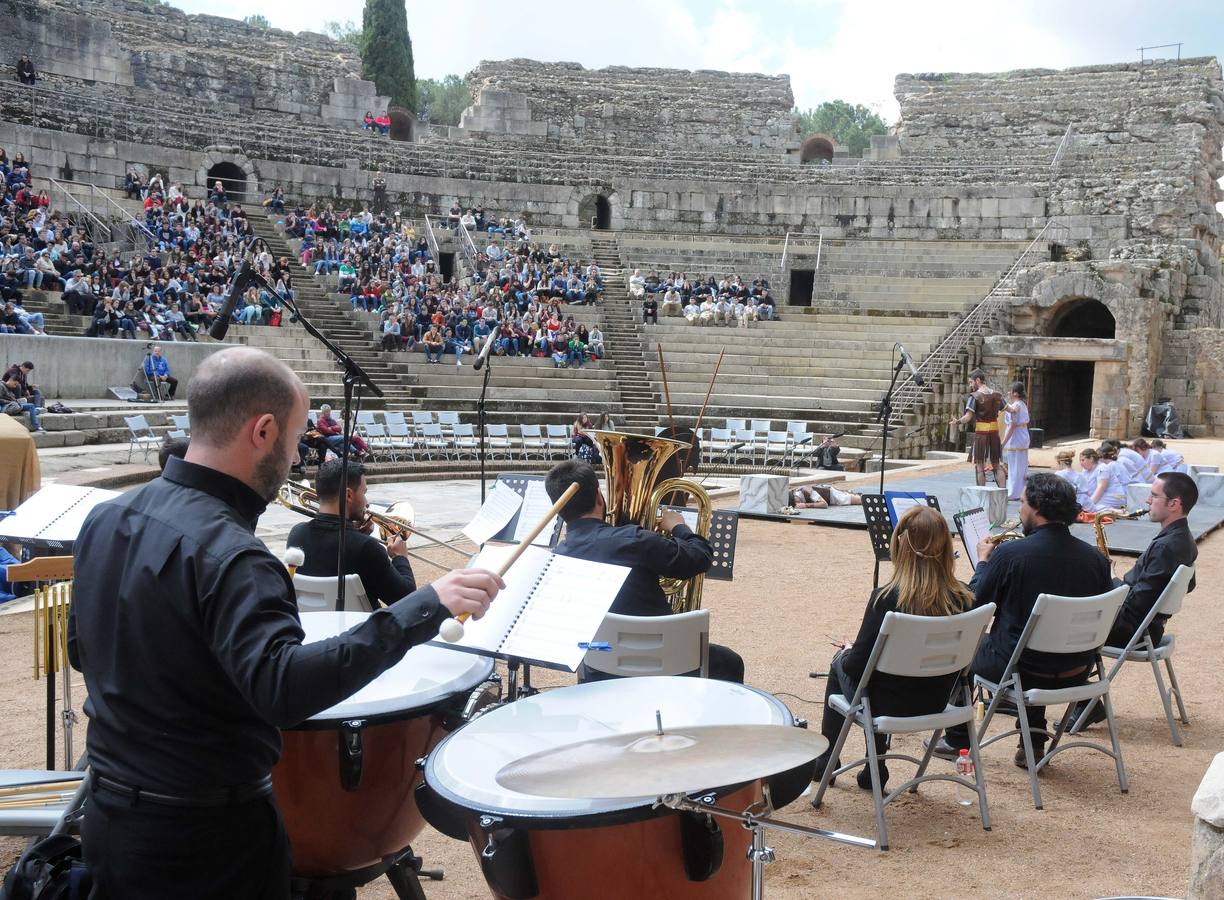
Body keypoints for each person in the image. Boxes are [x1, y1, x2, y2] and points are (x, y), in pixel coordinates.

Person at [67, 346, 502, 899]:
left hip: (110, 820)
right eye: (297, 441)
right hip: (209, 845)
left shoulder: (106, 518)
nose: (298, 459)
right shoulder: (235, 555)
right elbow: (285, 690)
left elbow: (84, 649)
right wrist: (424, 605)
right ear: (264, 431)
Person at [927, 473, 1112, 768]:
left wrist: (985, 563)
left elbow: (975, 607)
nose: (1020, 509)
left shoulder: (1010, 555)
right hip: (1078, 669)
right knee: (1032, 641)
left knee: (975, 645)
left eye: (1022, 502)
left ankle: (957, 738)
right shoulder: (1096, 560)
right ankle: (1032, 743)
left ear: (1037, 509)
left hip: (1022, 670)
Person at [814, 506, 973, 788]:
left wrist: (849, 651)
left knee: (841, 662)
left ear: (901, 546)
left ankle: (829, 760)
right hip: (936, 700)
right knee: (876, 676)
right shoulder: (964, 599)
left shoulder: (885, 599)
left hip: (886, 704)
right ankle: (873, 768)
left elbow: (856, 666)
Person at [545, 459, 745, 684]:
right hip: (666, 662)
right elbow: (701, 557)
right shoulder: (632, 539)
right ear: (599, 497)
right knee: (731, 662)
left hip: (598, 665)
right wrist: (678, 525)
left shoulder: (556, 557)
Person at [1065, 473, 1198, 731]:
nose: (1148, 500)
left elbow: (1137, 604)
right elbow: (1188, 584)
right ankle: (1086, 702)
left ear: (1174, 504)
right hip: (1148, 626)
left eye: (1155, 495)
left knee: (1069, 627)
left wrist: (1113, 580)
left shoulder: (1167, 546)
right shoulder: (1181, 538)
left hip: (1135, 630)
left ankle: (1085, 703)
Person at [286, 459, 416, 608]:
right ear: (348, 494)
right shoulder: (367, 548)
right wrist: (400, 558)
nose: (366, 502)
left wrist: (356, 534)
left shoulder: (296, 534)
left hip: (316, 624)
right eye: (364, 492)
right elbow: (407, 599)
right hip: (362, 628)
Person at [950, 369, 1007, 490]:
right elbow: (1010, 409)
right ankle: (1003, 492)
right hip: (994, 433)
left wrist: (957, 421)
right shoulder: (997, 395)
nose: (970, 385)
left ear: (977, 380)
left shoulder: (974, 397)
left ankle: (981, 493)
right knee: (996, 465)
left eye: (971, 382)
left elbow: (968, 417)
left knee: (980, 465)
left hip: (981, 434)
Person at [1001, 382, 1030, 501]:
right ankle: (1020, 491)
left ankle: (1014, 492)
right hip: (1022, 437)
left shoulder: (1015, 406)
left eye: (1011, 391)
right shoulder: (1021, 404)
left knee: (1014, 467)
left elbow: (1012, 425)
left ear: (1016, 393)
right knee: (1021, 467)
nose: (1009, 393)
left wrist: (1003, 442)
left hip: (1016, 438)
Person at [1084, 441, 1128, 512]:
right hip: (1118, 493)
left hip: (1119, 495)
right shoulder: (1114, 463)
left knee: (1091, 506)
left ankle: (1114, 511)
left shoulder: (1110, 466)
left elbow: (1102, 486)